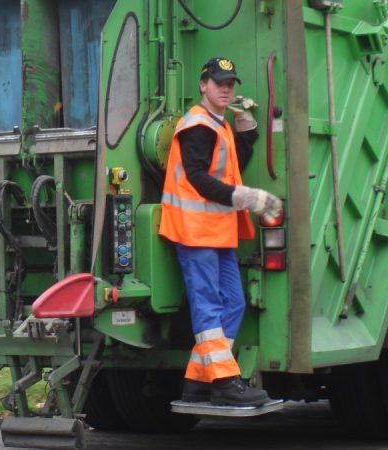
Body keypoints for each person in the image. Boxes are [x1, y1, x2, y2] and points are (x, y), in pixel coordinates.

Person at [158, 57, 282, 407]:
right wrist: (241, 196)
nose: (226, 88)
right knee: (210, 306)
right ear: (203, 85)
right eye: (218, 82)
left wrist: (246, 126)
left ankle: (199, 380)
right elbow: (198, 176)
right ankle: (225, 381)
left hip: (216, 231)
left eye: (230, 83)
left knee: (234, 302)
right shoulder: (197, 124)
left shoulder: (218, 123)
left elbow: (233, 163)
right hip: (195, 232)